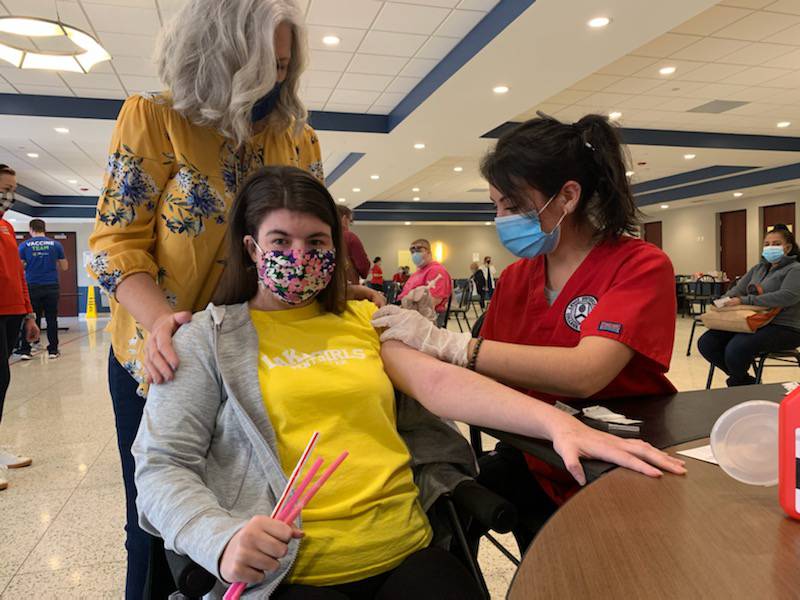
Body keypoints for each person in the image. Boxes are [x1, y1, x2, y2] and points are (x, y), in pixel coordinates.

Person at [132, 166, 684, 599]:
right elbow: (162, 468)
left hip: (408, 548)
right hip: (287, 570)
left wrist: (557, 425)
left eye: (317, 242)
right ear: (252, 249)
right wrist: (219, 538)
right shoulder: (204, 339)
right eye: (280, 242)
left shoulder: (364, 320)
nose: (299, 257)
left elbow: (440, 384)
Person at [85, 2, 369, 596]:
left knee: (254, 504)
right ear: (218, 59)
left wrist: (342, 288)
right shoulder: (156, 117)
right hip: (163, 355)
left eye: (286, 69)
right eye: (265, 69)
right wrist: (164, 322)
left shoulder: (298, 136)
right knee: (161, 522)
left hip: (259, 354)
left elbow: (312, 236)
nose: (278, 84)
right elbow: (116, 242)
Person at [373, 113, 679, 545]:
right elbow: (487, 374)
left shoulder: (639, 265)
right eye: (496, 205)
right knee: (447, 514)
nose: (501, 218)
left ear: (568, 195)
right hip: (537, 448)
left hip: (620, 453)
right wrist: (419, 344)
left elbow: (585, 372)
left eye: (513, 206)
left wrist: (452, 344)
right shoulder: (518, 278)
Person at [698, 226, 800, 387]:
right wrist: (722, 300)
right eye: (767, 244)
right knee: (707, 343)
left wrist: (746, 300)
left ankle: (738, 383)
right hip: (752, 321)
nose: (770, 247)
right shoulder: (758, 269)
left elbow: (787, 296)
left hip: (784, 327)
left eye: (776, 243)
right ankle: (745, 382)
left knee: (736, 348)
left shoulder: (795, 269)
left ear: (787, 248)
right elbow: (737, 289)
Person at [0, 164, 38, 491]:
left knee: (1, 379)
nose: (9, 196)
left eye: (12, 189)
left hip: (11, 312)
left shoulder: (8, 229)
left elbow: (17, 273)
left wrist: (28, 313)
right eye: (4, 188)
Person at [18, 218, 68, 359]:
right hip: (51, 285)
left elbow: (19, 267)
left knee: (31, 318)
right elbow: (65, 267)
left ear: (31, 229)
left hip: (32, 286)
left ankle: (26, 350)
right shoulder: (56, 245)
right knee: (52, 319)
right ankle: (53, 350)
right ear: (44, 229)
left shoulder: (24, 245)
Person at [397, 239, 452, 317]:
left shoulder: (436, 271)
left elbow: (431, 303)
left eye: (419, 250)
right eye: (412, 252)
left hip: (424, 318)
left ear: (429, 252)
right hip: (408, 312)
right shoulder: (418, 272)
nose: (415, 254)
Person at [337, 204, 369, 285]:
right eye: (350, 221)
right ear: (344, 219)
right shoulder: (349, 237)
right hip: (348, 288)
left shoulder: (322, 237)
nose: (349, 225)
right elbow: (363, 267)